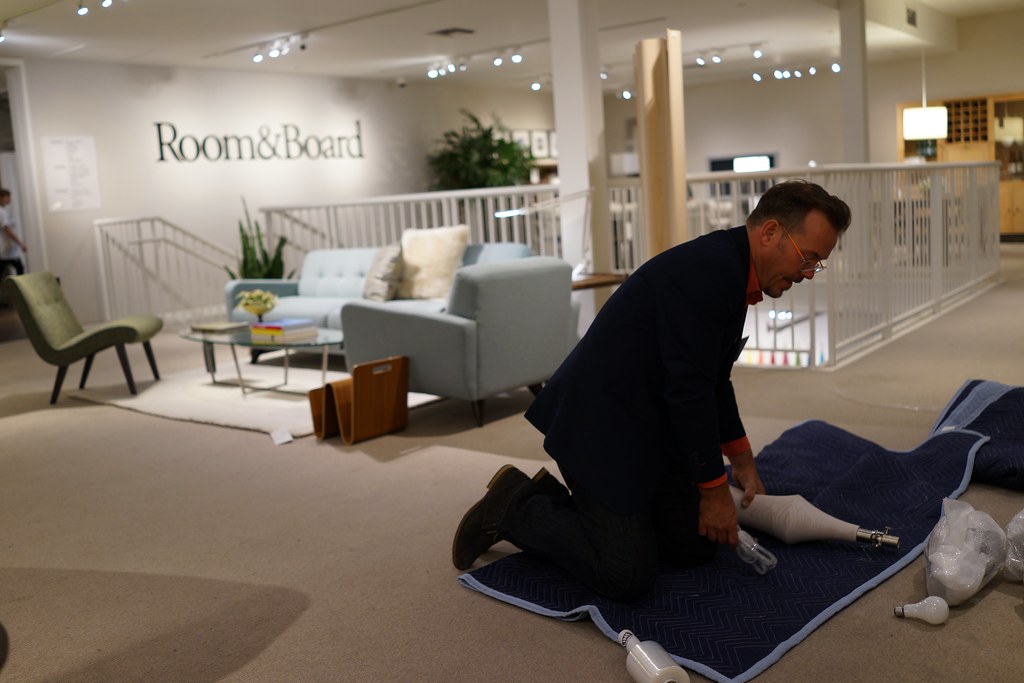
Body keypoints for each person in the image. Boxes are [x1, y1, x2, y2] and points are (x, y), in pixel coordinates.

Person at [452, 179, 852, 598]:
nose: (807, 275)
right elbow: (690, 392)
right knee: (627, 575)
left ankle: (581, 509)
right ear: (770, 232)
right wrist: (715, 492)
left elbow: (713, 378)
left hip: (649, 423)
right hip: (599, 425)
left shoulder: (732, 268)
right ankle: (516, 505)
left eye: (816, 265)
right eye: (808, 259)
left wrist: (742, 459)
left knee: (696, 546)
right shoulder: (711, 272)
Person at [0, 189, 27, 276]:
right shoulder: (1, 212)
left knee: (18, 268)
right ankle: (20, 288)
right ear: (1, 198)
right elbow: (7, 229)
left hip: (9, 248)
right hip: (7, 248)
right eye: (7, 197)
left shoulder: (5, 211)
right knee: (20, 268)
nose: (9, 199)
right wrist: (20, 242)